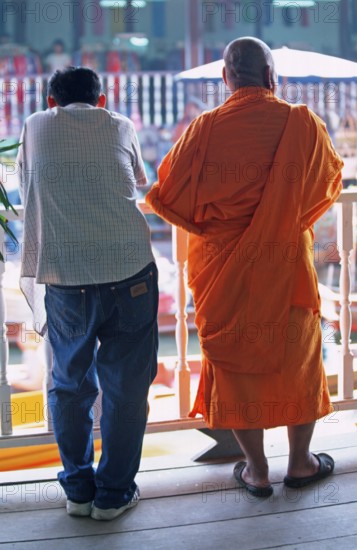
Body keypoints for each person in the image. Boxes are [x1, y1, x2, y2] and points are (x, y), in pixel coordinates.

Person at [146, 37, 343, 497]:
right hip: (285, 264)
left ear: (226, 79)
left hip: (223, 272)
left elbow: (165, 197)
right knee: (297, 362)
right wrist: (281, 219)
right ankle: (300, 463)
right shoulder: (302, 123)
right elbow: (327, 185)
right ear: (272, 77)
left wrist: (219, 224)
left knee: (234, 369)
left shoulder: (204, 128)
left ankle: (256, 471)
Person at [17, 67, 158, 519]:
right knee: (127, 389)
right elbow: (138, 178)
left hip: (65, 277)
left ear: (52, 103)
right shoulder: (121, 125)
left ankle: (78, 490)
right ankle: (114, 493)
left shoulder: (36, 125)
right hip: (129, 271)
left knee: (69, 386)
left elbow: (26, 180)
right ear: (101, 102)